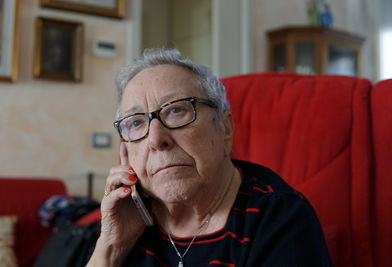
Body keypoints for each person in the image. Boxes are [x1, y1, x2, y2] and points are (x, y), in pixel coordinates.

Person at [86, 48, 333, 267]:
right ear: (125, 150)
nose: (155, 139)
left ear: (225, 128)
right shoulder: (127, 220)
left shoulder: (279, 217)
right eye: (136, 122)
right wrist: (110, 248)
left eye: (176, 110)